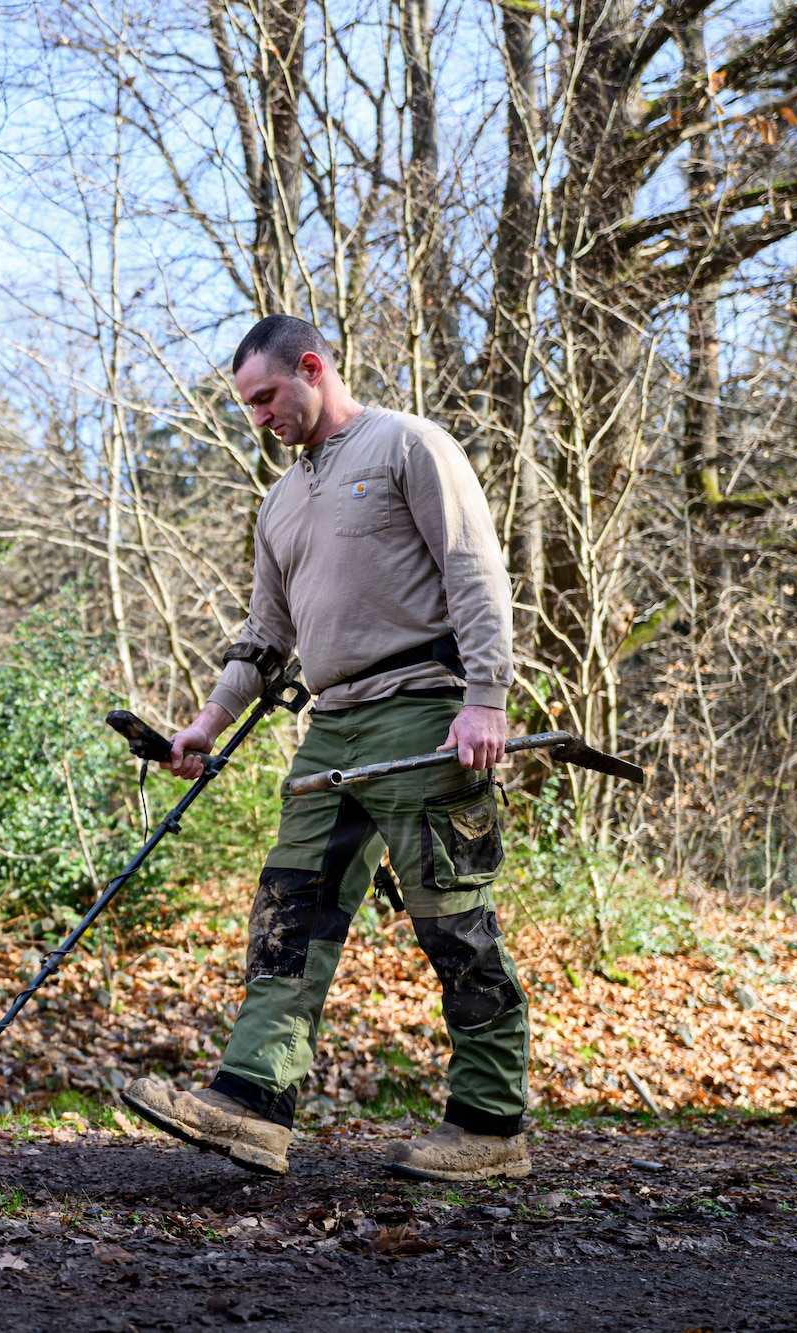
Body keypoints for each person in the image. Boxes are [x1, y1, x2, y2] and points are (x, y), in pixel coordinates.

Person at [119, 315, 530, 1182]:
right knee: (288, 910)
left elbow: (475, 570)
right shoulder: (281, 499)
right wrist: (207, 720)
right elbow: (266, 634)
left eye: (266, 396)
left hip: (423, 713)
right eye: (246, 405)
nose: (258, 416)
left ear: (313, 369)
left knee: (453, 919)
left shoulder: (407, 446)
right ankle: (252, 1102)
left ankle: (491, 1126)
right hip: (331, 727)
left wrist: (486, 697)